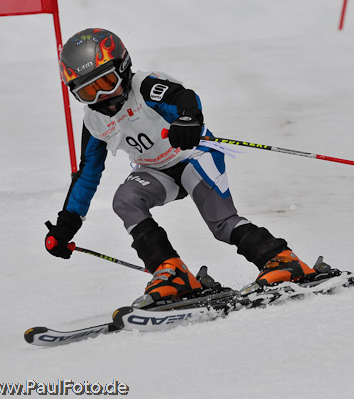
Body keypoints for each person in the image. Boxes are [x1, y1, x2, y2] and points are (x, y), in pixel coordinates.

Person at [45, 28, 319, 304]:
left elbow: (185, 98)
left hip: (193, 155)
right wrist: (67, 224)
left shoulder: (145, 87)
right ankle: (172, 272)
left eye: (106, 82)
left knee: (221, 223)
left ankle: (281, 260)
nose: (101, 97)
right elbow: (88, 174)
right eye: (88, 92)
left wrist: (188, 120)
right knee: (125, 200)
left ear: (124, 68)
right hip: (155, 171)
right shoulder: (94, 121)